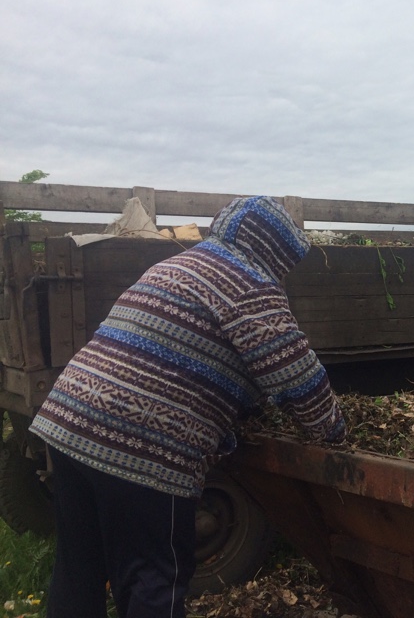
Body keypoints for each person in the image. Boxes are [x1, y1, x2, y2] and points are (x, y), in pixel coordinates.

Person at [30, 195, 347, 618]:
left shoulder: (182, 263)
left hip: (69, 423)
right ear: (275, 248)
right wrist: (335, 434)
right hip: (142, 444)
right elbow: (297, 377)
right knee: (152, 578)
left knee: (79, 571)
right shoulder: (249, 282)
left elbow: (199, 356)